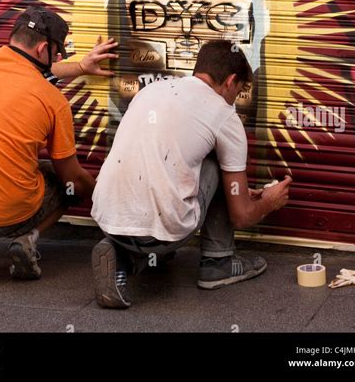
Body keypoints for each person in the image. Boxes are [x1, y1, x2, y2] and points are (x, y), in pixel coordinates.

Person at [91, 40, 292, 308]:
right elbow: (241, 215)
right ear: (231, 81)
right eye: (240, 90)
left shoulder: (151, 91)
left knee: (184, 158)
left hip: (109, 220)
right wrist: (268, 201)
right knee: (220, 161)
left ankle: (122, 259)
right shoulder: (223, 114)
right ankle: (217, 263)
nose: (237, 99)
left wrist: (238, 192)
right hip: (161, 234)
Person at [0, 4, 118, 283]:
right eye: (57, 52)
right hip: (13, 216)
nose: (58, 57)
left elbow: (25, 66)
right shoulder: (53, 100)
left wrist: (81, 66)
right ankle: (25, 240)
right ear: (43, 48)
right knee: (64, 182)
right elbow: (72, 177)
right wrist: (105, 198)